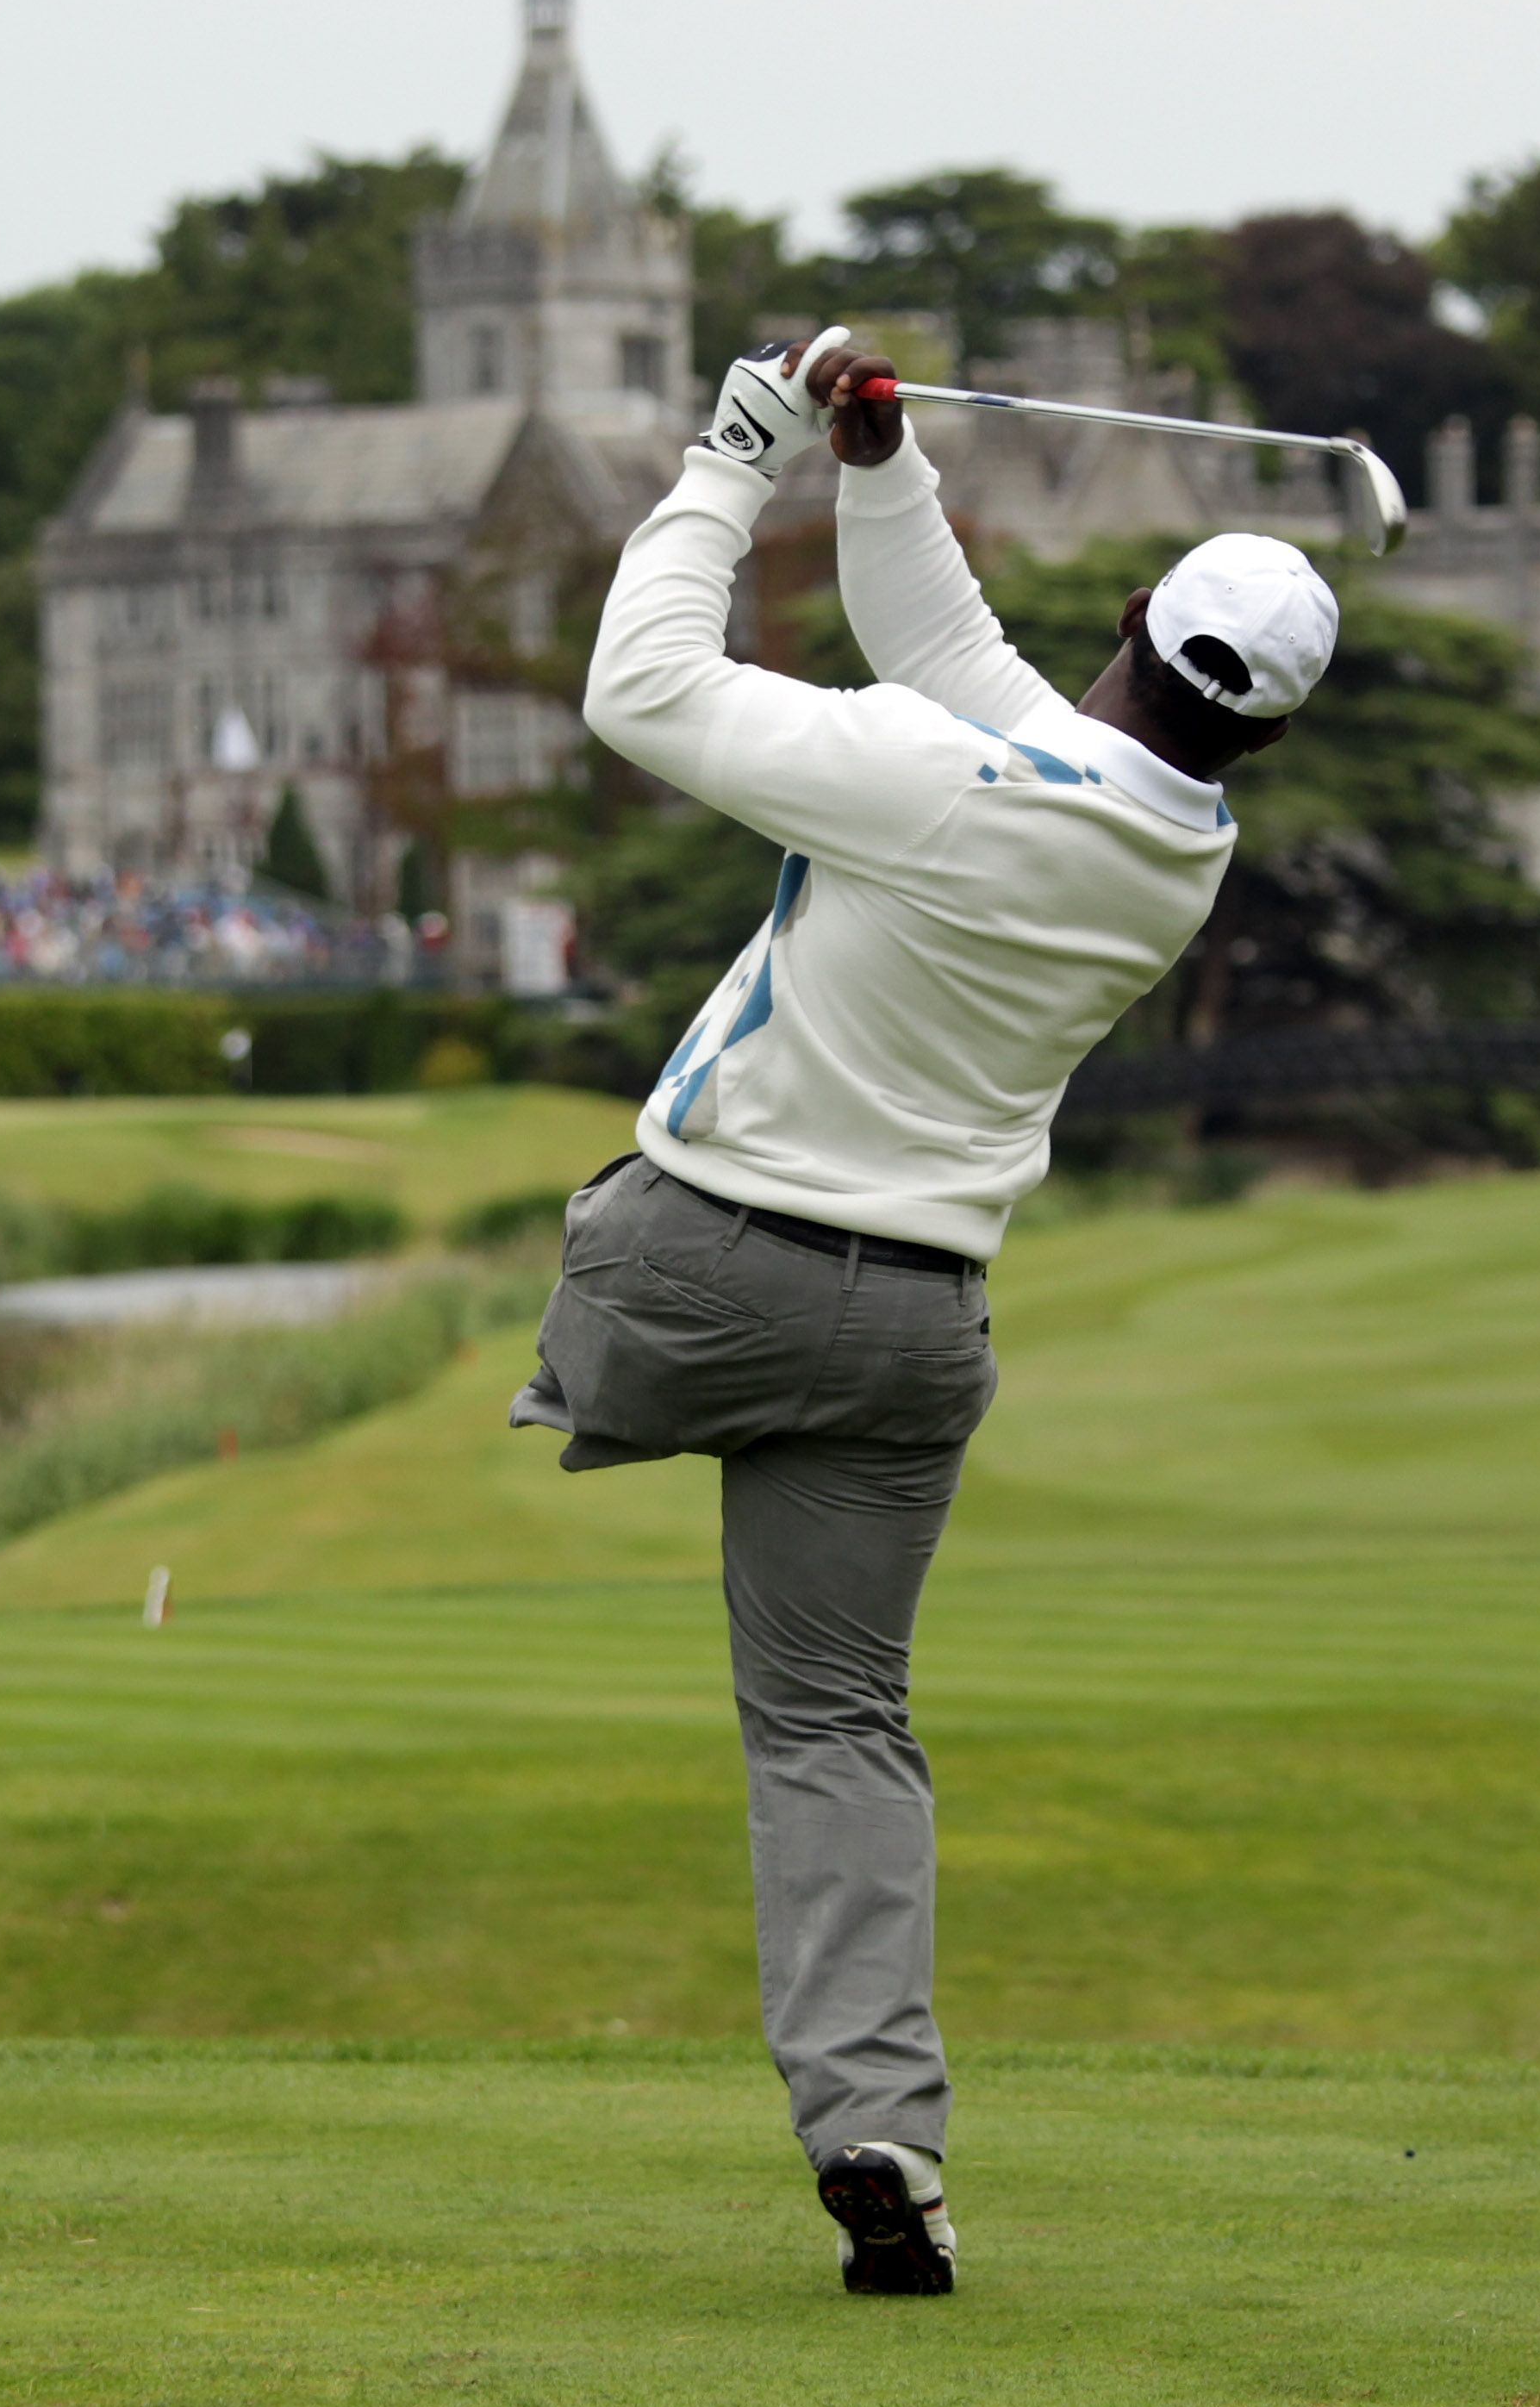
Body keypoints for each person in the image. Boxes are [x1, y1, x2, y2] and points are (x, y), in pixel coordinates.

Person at [508, 328, 1335, 2295]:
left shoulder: (933, 784)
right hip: (913, 1339)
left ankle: (575, 1383)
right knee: (837, 1731)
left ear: (1131, 613)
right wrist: (877, 473)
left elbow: (643, 689)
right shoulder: (1168, 850)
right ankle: (879, 2129)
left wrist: (741, 447)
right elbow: (960, 668)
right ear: (1265, 733)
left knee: (620, 1239)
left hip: (692, 1274)